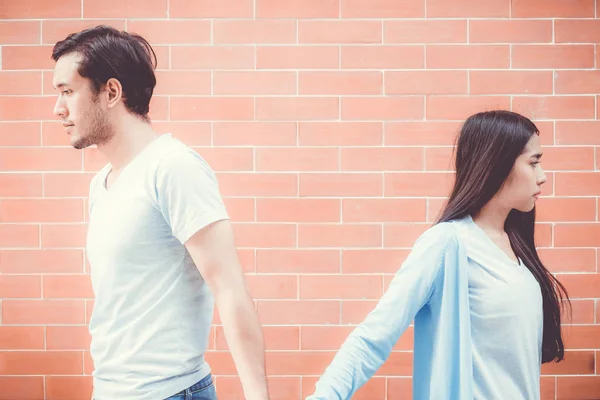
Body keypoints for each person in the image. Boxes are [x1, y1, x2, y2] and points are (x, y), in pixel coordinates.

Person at [50, 25, 270, 400]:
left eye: (68, 92)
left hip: (169, 392)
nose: (59, 108)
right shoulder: (102, 184)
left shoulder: (172, 167)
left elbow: (230, 289)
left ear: (111, 92)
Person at [305, 110, 570, 400]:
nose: (542, 177)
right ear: (498, 164)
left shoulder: (518, 251)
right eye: (533, 163)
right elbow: (374, 336)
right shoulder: (447, 244)